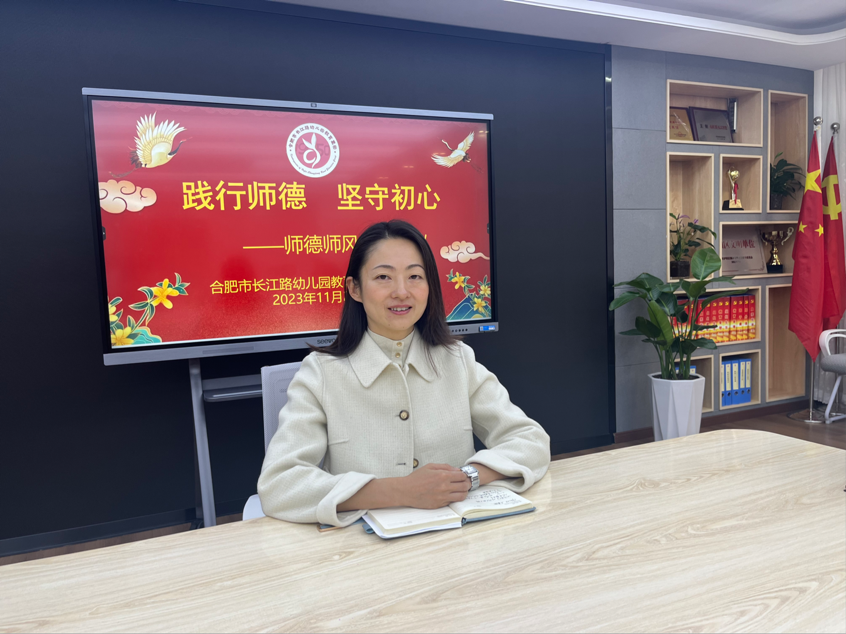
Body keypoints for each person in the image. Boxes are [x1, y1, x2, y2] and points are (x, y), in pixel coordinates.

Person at [257, 220, 550, 527]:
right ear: (355, 288)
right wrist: (399, 491)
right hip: (360, 545)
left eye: (414, 277)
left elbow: (530, 440)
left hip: (458, 539)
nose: (401, 292)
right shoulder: (321, 374)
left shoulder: (458, 360)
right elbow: (280, 484)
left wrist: (467, 477)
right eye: (383, 277)